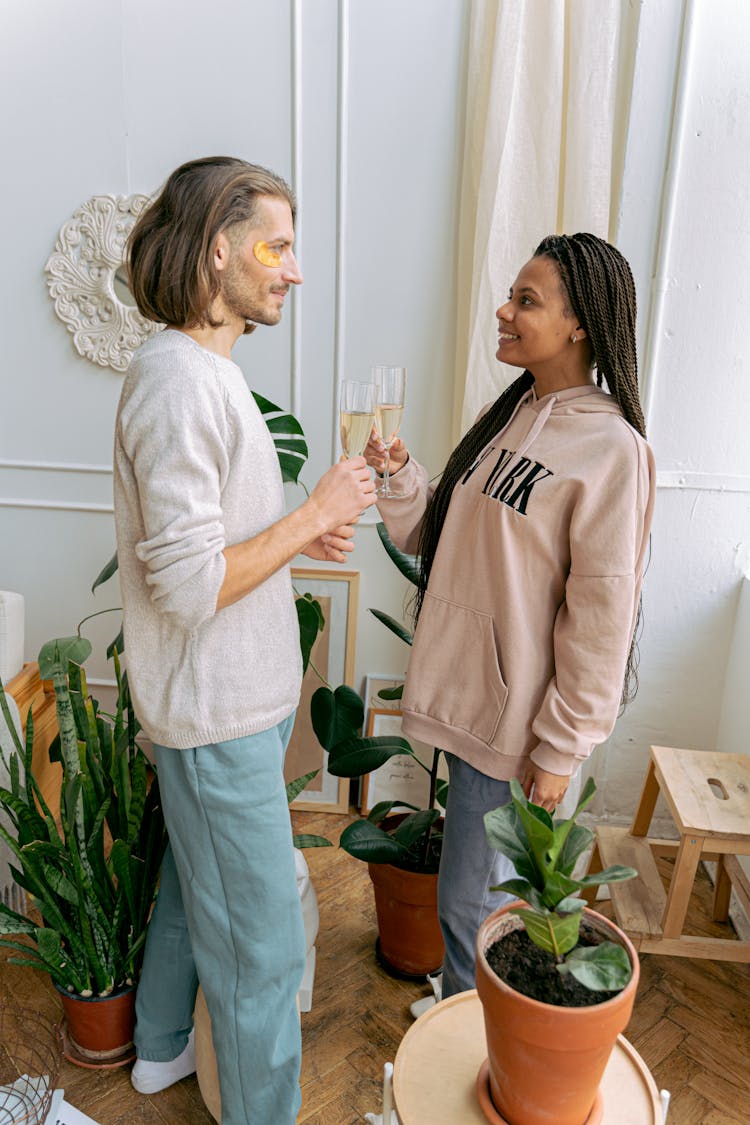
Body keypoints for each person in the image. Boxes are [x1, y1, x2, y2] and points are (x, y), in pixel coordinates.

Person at [113, 156, 376, 1124]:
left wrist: (309, 525)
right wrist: (311, 518)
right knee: (263, 946)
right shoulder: (179, 383)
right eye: (277, 246)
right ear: (217, 249)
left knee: (194, 882)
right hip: (215, 714)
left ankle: (158, 1052)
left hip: (236, 708)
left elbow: (223, 546)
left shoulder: (208, 373)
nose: (293, 270)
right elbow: (187, 587)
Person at [366, 232, 655, 999]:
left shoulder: (611, 449)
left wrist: (560, 747)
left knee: (477, 917)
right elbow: (438, 539)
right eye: (511, 294)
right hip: (472, 712)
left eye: (526, 300)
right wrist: (397, 474)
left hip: (521, 736)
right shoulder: (513, 413)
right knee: (472, 910)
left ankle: (466, 1081)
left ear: (580, 324)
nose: (504, 309)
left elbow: (603, 614)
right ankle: (464, 1047)